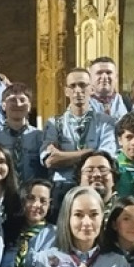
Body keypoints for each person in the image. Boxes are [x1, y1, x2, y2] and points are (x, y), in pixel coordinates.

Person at [41, 68, 116, 205]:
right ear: (66, 91)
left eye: (82, 85)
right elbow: (50, 161)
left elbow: (106, 157)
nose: (78, 90)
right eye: (72, 86)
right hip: (62, 187)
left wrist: (64, 156)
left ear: (91, 89)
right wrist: (90, 152)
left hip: (94, 184)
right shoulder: (54, 123)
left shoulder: (106, 122)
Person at [0, 83, 46, 184]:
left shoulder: (39, 137)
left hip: (31, 193)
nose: (18, 104)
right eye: (12, 100)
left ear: (29, 106)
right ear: (3, 105)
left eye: (23, 100)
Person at [75, 150, 119, 222]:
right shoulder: (71, 210)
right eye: (89, 170)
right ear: (79, 179)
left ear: (113, 178)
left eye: (103, 170)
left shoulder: (123, 211)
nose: (96, 175)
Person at [87, 56, 130, 121]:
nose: (104, 76)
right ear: (90, 78)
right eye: (99, 73)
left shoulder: (127, 103)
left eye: (108, 72)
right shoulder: (83, 104)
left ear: (116, 77)